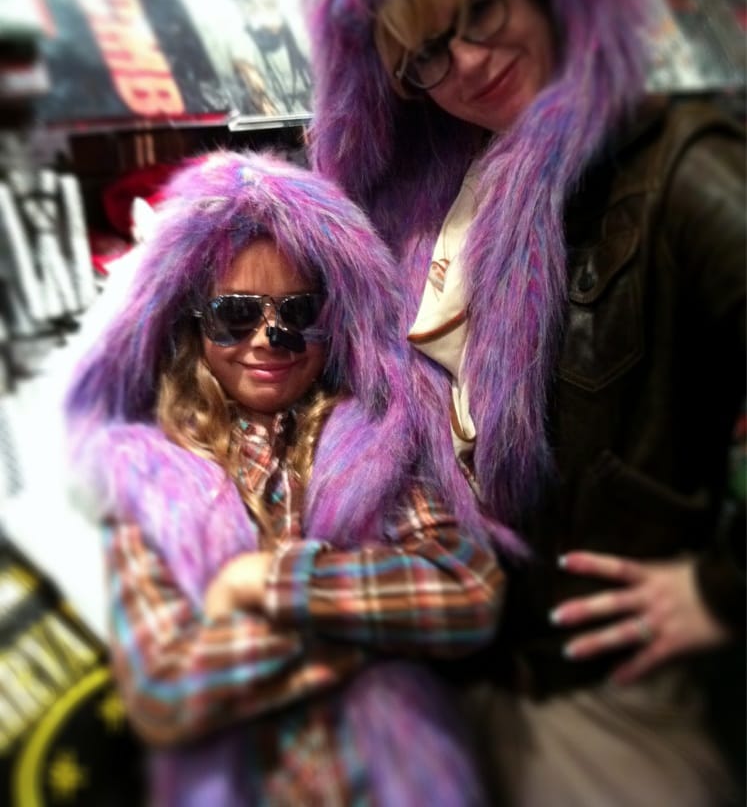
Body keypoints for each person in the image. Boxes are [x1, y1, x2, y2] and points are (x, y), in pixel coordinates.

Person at [298, 0, 746, 806]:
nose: (465, 63)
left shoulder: (680, 177)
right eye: (424, 55)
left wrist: (720, 590)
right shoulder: (431, 189)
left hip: (594, 711)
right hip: (449, 679)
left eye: (481, 8)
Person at [64, 150, 502, 806]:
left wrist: (263, 582)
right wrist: (363, 634)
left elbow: (466, 591)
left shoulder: (370, 441)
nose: (270, 338)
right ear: (192, 323)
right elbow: (165, 691)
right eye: (235, 314)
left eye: (298, 313)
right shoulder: (150, 473)